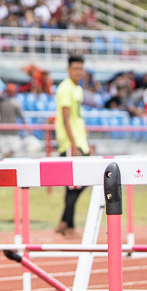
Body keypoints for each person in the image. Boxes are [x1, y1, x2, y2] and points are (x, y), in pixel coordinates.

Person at [55, 55, 90, 236]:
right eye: (75, 68)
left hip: (80, 142)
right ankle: (68, 225)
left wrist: (85, 143)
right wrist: (73, 145)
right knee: (73, 186)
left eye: (81, 69)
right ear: (68, 69)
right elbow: (66, 119)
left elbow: (78, 119)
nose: (79, 72)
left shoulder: (78, 89)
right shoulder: (65, 89)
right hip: (70, 144)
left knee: (81, 183)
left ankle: (64, 222)